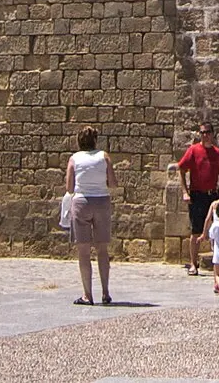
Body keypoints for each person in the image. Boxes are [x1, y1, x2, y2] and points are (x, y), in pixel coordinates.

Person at [64, 125, 118, 305]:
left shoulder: (74, 159)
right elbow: (113, 183)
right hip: (101, 201)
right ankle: (105, 292)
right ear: (95, 140)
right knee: (102, 250)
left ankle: (87, 294)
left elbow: (70, 187)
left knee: (84, 251)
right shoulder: (104, 156)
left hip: (81, 203)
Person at [177, 121, 219, 276]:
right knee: (196, 230)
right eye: (202, 132)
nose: (205, 135)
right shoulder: (193, 150)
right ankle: (193, 263)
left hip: (213, 195)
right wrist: (185, 192)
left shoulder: (218, 153)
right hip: (197, 195)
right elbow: (181, 169)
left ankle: (218, 263)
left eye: (207, 132)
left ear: (212, 134)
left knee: (218, 228)